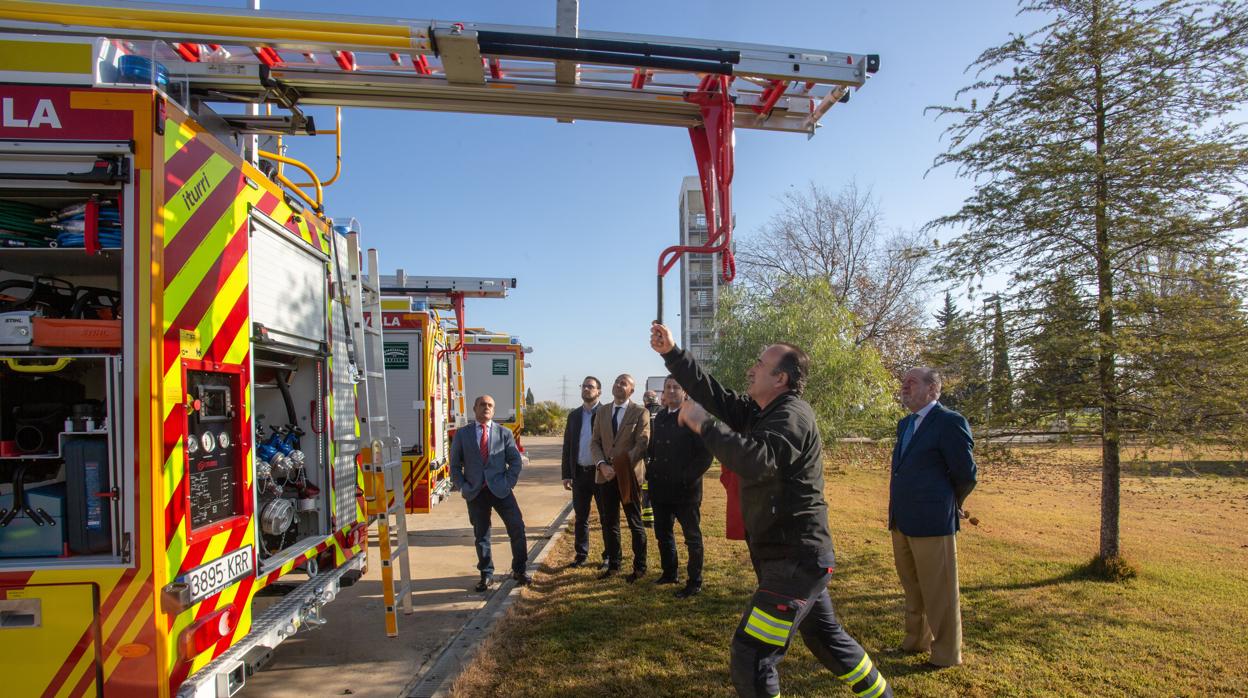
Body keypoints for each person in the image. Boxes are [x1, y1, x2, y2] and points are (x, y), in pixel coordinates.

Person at [650, 322, 891, 698]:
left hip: (795, 560)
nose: (751, 368)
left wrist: (704, 426)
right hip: (789, 556)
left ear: (780, 378)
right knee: (826, 638)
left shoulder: (791, 415)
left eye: (760, 365)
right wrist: (673, 353)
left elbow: (758, 460)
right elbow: (715, 395)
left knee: (752, 654)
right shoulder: (763, 412)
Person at [889, 367, 977, 668]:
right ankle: (915, 641)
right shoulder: (905, 424)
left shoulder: (950, 422)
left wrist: (950, 501)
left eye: (912, 382)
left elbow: (966, 474)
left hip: (932, 520)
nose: (905, 387)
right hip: (901, 519)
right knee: (912, 586)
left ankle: (946, 655)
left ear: (932, 389)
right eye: (904, 382)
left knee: (939, 591)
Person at [449, 394, 530, 592]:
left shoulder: (504, 433)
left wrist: (509, 482)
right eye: (482, 404)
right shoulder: (462, 434)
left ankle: (519, 569)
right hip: (476, 492)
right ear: (474, 409)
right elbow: (454, 465)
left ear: (493, 410)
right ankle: (486, 574)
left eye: (490, 405)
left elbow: (515, 461)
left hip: (501, 490)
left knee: (517, 528)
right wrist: (463, 486)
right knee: (482, 535)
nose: (486, 408)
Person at [646, 375, 712, 598]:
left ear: (684, 392)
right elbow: (654, 449)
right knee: (663, 534)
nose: (672, 391)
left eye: (676, 386)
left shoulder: (694, 416)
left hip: (686, 491)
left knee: (692, 537)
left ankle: (694, 581)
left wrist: (686, 478)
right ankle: (669, 572)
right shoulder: (661, 416)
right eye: (668, 387)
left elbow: (705, 456)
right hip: (661, 489)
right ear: (663, 392)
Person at [590, 373, 651, 582]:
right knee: (609, 523)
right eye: (616, 381)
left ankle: (640, 567)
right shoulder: (603, 411)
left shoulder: (640, 412)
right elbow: (595, 442)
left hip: (628, 476)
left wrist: (620, 465)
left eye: (623, 383)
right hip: (605, 476)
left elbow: (642, 443)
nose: (618, 385)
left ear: (631, 390)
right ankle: (614, 565)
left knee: (635, 523)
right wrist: (601, 465)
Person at [560, 376, 603, 568]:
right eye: (584, 386)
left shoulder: (606, 413)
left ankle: (610, 556)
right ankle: (581, 554)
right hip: (579, 474)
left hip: (600, 474)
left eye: (591, 387)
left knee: (607, 517)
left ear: (599, 391)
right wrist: (566, 473)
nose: (586, 389)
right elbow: (568, 445)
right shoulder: (574, 415)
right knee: (581, 518)